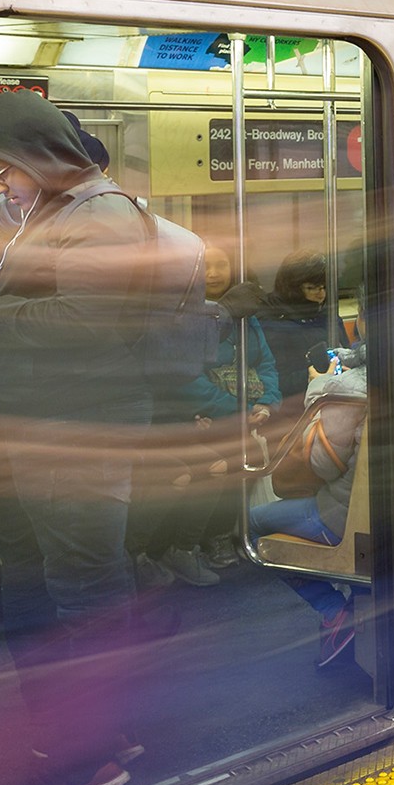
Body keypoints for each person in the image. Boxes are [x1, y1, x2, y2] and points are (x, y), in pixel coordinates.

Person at [0, 91, 152, 785]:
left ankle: (87, 758)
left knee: (80, 592)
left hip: (75, 431)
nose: (3, 186)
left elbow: (88, 321)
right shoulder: (48, 216)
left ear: (39, 155)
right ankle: (87, 732)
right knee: (40, 581)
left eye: (6, 172)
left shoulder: (102, 215)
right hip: (36, 428)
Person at [131, 245, 280, 589]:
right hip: (191, 415)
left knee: (244, 455)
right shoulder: (179, 317)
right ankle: (161, 547)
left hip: (236, 413)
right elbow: (184, 381)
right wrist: (236, 412)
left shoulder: (247, 316)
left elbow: (265, 364)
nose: (214, 273)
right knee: (213, 464)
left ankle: (208, 538)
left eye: (221, 264)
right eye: (205, 266)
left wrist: (266, 404)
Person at [248, 345, 369, 668]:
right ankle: (357, 605)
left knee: (252, 523)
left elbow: (322, 464)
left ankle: (334, 611)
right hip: (381, 516)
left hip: (340, 519)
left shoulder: (348, 388)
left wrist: (319, 386)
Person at [263, 250, 335, 401]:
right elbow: (274, 378)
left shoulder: (327, 315)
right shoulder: (273, 320)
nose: (320, 294)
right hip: (293, 405)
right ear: (293, 288)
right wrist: (310, 376)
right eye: (311, 288)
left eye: (323, 287)